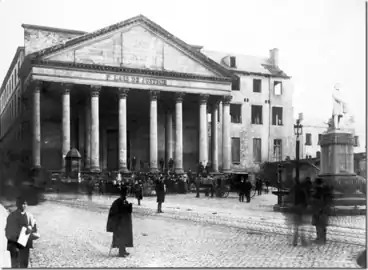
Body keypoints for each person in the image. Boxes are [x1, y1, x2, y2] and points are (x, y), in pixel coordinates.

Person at [5, 197, 40, 268]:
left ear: (27, 205)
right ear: (17, 204)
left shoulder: (30, 216)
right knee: (15, 265)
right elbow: (8, 232)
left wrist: (30, 232)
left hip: (25, 245)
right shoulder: (11, 216)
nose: (22, 205)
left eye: (24, 203)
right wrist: (18, 234)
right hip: (14, 245)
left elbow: (36, 232)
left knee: (24, 265)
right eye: (20, 203)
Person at [106, 189, 133, 257]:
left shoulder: (124, 201)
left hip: (124, 223)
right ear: (121, 195)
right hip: (119, 224)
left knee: (124, 237)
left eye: (126, 195)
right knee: (121, 237)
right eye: (124, 195)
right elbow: (115, 212)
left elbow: (127, 212)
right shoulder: (117, 202)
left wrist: (129, 207)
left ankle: (123, 250)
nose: (125, 196)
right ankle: (121, 252)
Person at [311, 178, 333, 244]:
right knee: (323, 225)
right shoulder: (325, 190)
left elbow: (317, 200)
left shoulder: (318, 190)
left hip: (319, 210)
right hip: (325, 209)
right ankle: (323, 238)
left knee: (319, 225)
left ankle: (320, 239)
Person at [290, 179, 309, 246]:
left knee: (296, 226)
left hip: (296, 208)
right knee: (302, 226)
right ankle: (303, 242)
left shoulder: (294, 190)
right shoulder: (302, 190)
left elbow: (291, 199)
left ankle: (295, 242)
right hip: (301, 208)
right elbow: (306, 200)